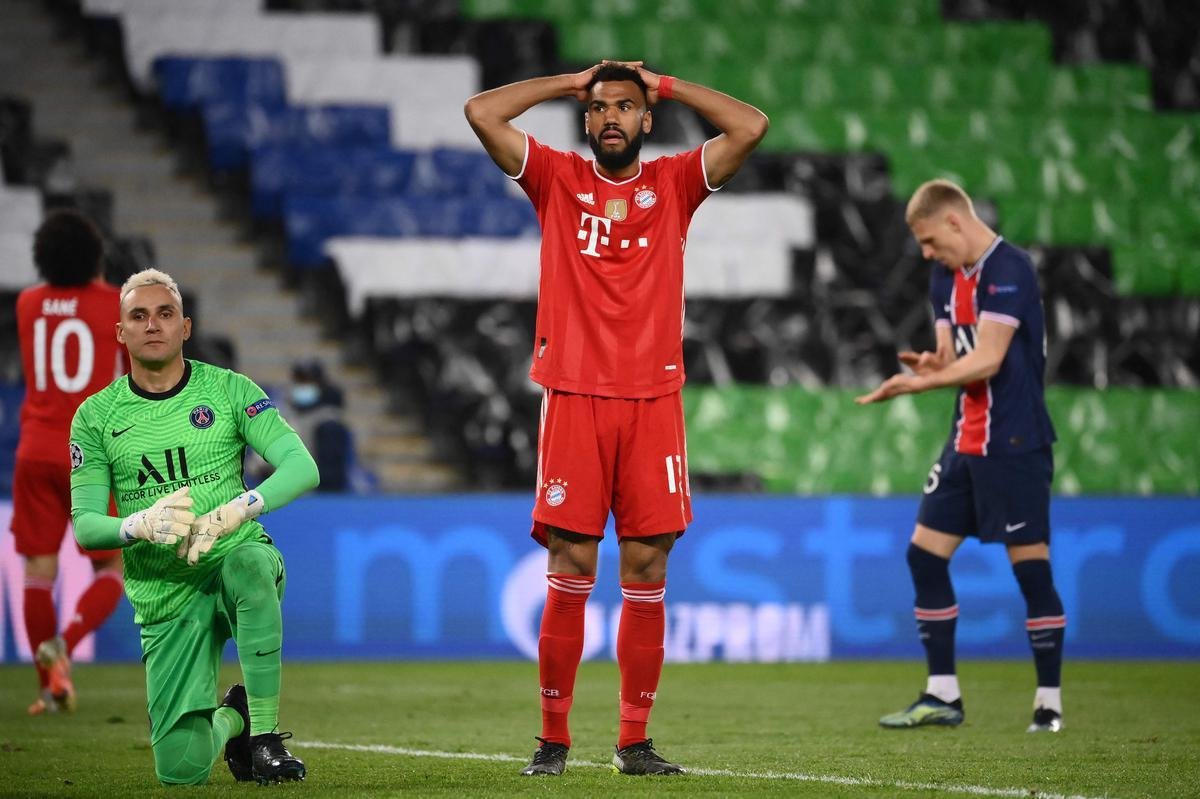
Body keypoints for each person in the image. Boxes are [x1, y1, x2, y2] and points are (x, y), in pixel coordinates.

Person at [465, 61, 768, 775]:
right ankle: (552, 739)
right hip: (574, 395)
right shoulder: (557, 179)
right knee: (570, 564)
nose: (610, 118)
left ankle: (633, 741)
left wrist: (667, 83)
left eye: (625, 108)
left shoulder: (675, 185)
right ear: (584, 117)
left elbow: (751, 126)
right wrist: (566, 81)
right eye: (599, 108)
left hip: (654, 399)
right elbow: (482, 112)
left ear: (646, 120)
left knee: (647, 563)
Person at [68, 268, 320, 784]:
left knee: (250, 564)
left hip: (233, 556)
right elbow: (86, 527)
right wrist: (136, 524)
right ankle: (238, 717)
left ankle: (267, 741)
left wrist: (236, 510)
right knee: (180, 771)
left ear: (185, 327)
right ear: (120, 333)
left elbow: (302, 468)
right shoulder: (94, 417)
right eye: (138, 316)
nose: (152, 325)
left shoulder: (229, 390)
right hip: (164, 592)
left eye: (165, 314)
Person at [856, 179, 1065, 733]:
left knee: (1031, 571)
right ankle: (942, 695)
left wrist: (914, 386)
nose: (925, 253)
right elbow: (954, 355)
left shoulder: (1010, 269)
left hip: (1015, 443)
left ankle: (1049, 704)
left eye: (928, 240)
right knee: (924, 556)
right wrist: (931, 366)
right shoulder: (942, 278)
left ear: (954, 221)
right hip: (964, 441)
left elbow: (990, 359)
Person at [13, 209, 127, 716]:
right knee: (112, 565)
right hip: (89, 452)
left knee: (39, 571)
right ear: (93, 260)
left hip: (34, 449)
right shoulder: (113, 306)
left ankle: (48, 687)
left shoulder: (27, 303)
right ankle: (69, 641)